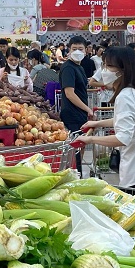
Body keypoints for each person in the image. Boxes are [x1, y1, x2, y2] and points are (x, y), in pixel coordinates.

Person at [77, 47, 135, 190]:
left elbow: (122, 138)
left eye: (110, 66)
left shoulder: (125, 97)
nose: (104, 70)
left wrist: (90, 139)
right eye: (104, 65)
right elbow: (126, 121)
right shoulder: (134, 92)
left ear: (124, 70)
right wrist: (98, 123)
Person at [59, 36, 92, 173]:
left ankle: (78, 174)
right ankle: (76, 175)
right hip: (72, 114)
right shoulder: (68, 68)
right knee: (75, 150)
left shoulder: (79, 67)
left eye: (80, 49)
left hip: (80, 114)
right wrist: (88, 109)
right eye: (74, 49)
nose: (77, 51)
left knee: (80, 147)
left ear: (86, 51)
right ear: (68, 50)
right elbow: (70, 93)